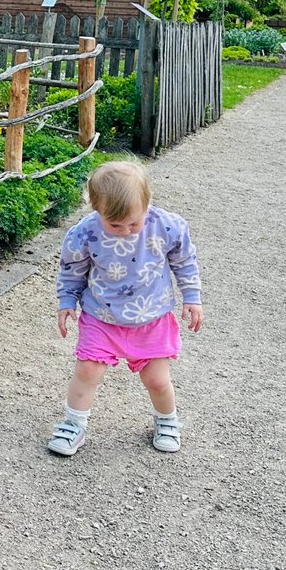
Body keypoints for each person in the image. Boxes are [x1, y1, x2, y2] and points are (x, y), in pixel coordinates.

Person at [47, 160, 203, 457]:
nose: (124, 231)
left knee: (157, 380)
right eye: (114, 224)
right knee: (87, 371)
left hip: (152, 318)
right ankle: (73, 424)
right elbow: (72, 271)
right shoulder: (85, 234)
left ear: (148, 202)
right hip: (101, 317)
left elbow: (184, 261)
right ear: (96, 209)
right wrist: (66, 301)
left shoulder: (166, 227)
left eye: (134, 223)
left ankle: (167, 420)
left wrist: (192, 297)